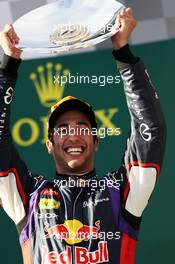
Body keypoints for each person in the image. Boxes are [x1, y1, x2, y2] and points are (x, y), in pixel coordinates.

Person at [0, 8, 166, 264]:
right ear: (49, 145)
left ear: (96, 142)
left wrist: (123, 53)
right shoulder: (28, 198)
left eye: (82, 127)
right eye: (63, 129)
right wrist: (8, 66)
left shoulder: (120, 193)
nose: (73, 134)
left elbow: (150, 134)